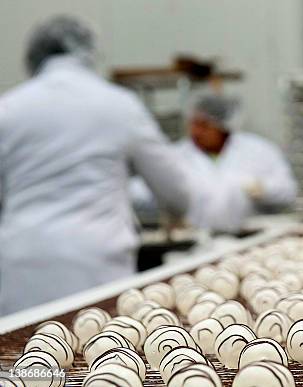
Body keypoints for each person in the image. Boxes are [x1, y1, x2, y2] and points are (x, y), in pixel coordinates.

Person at [0, 16, 192, 315]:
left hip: (23, 266)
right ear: (88, 51)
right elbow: (177, 192)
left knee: (24, 358)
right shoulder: (120, 105)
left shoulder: (9, 108)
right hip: (96, 266)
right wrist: (176, 213)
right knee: (101, 356)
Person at [134, 93, 297, 233]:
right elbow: (143, 190)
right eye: (193, 124)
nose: (196, 131)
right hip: (192, 243)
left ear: (223, 126)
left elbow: (288, 192)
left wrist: (262, 189)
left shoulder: (259, 150)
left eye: (204, 125)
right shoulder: (175, 155)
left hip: (248, 240)